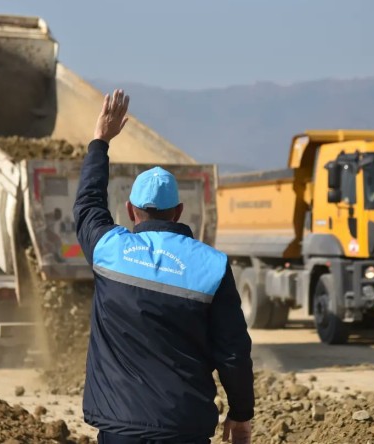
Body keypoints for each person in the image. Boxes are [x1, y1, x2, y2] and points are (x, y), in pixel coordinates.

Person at [73, 89, 254, 444]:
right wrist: (241, 414)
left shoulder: (109, 250)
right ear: (179, 212)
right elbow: (233, 352)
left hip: (120, 426)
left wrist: (100, 142)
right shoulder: (212, 267)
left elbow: (88, 204)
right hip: (184, 427)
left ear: (130, 210)